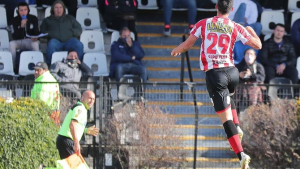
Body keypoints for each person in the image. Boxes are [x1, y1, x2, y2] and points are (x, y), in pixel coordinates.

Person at [171, 0, 262, 168]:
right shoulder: (235, 26)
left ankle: (241, 156)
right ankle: (237, 126)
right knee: (229, 98)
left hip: (215, 74)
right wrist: (250, 31)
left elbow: (187, 45)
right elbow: (258, 45)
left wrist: (177, 49)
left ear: (216, 7)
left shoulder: (204, 23)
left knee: (225, 121)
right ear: (232, 9)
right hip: (233, 73)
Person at [56, 90, 99, 159]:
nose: (91, 101)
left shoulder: (82, 108)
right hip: (67, 140)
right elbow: (72, 125)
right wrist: (76, 143)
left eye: (93, 99)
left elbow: (76, 125)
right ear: (82, 97)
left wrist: (85, 130)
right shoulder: (80, 108)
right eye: (89, 98)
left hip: (64, 140)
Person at [40, 0, 84, 66]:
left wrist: (72, 32)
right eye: (56, 8)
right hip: (56, 42)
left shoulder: (70, 18)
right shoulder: (47, 20)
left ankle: (78, 64)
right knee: (51, 44)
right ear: (53, 9)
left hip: (69, 41)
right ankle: (48, 65)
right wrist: (50, 34)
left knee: (79, 45)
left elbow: (79, 29)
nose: (59, 10)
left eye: (61, 7)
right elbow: (42, 31)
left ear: (63, 9)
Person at [228, 0, 262, 64]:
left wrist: (246, 21)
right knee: (242, 7)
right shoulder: (232, 2)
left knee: (258, 26)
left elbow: (253, 18)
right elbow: (228, 16)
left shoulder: (252, 4)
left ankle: (253, 54)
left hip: (247, 25)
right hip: (234, 23)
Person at [9, 2, 40, 69]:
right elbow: (14, 36)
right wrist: (22, 26)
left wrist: (36, 38)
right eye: (21, 10)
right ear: (18, 11)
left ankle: (37, 67)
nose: (23, 12)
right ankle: (13, 67)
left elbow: (37, 32)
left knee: (35, 44)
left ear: (28, 10)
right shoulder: (13, 20)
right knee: (11, 44)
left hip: (30, 41)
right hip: (18, 41)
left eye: (25, 10)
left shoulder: (33, 18)